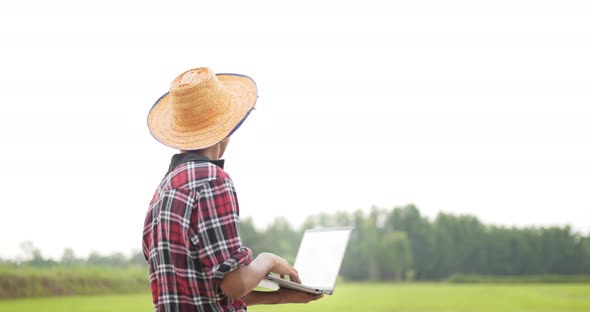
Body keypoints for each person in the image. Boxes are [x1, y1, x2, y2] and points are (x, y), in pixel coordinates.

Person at [142, 67, 322, 311]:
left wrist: (283, 296)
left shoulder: (163, 190)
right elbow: (234, 286)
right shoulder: (213, 180)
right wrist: (268, 260)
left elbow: (214, 290)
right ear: (226, 127)